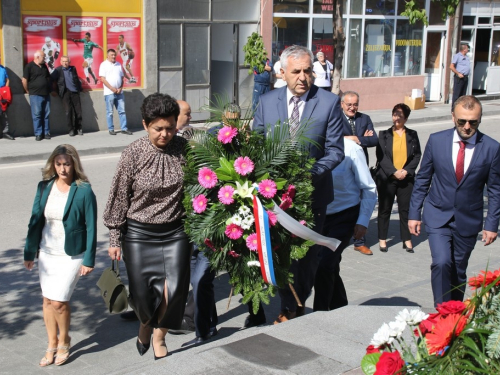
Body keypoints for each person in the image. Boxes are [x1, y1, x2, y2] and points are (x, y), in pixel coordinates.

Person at [252, 45, 344, 325]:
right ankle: (285, 302)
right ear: (282, 73)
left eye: (308, 71)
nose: (303, 77)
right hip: (272, 196)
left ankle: (294, 306)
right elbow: (256, 144)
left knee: (305, 257)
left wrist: (310, 174)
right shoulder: (267, 102)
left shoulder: (328, 103)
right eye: (296, 71)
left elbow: (335, 151)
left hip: (311, 196)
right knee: (276, 251)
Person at [103, 93, 191, 360]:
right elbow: (119, 196)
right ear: (145, 125)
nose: (165, 134)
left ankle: (159, 335)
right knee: (143, 297)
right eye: (158, 128)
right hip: (139, 234)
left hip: (176, 232)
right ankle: (144, 325)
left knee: (174, 292)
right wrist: (115, 238)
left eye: (170, 127)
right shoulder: (133, 153)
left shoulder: (184, 148)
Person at [409, 95, 500, 306]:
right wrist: (414, 213)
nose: (467, 126)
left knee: (458, 271)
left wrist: (491, 225)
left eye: (473, 122)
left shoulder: (491, 148)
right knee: (441, 263)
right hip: (437, 214)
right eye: (462, 121)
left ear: (479, 120)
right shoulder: (437, 140)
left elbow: (495, 189)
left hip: (467, 219)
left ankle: (455, 314)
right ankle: (442, 312)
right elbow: (423, 178)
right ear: (453, 117)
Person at [24, 144, 97, 367]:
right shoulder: (44, 187)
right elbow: (35, 220)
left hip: (72, 254)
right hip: (47, 252)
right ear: (53, 164)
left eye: (67, 164)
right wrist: (30, 251)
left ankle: (64, 340)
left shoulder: (84, 190)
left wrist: (89, 259)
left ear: (74, 164)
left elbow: (92, 226)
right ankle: (51, 343)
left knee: (59, 302)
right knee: (47, 300)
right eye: (58, 164)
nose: (63, 169)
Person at [314, 138, 377, 311]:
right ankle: (340, 306)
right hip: (317, 216)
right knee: (329, 265)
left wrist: (363, 221)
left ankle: (319, 314)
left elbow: (368, 187)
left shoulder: (351, 149)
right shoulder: (312, 145)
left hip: (344, 216)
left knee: (324, 264)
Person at [375, 103, 421, 253]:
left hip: (406, 179)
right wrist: (394, 172)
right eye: (395, 114)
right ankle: (382, 239)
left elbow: (417, 155)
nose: (396, 118)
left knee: (405, 210)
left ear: (406, 118)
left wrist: (406, 171)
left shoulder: (412, 134)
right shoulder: (384, 134)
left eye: (400, 115)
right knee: (384, 209)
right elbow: (381, 157)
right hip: (388, 178)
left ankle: (406, 239)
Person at [341, 91, 378, 255]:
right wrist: (360, 137)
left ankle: (359, 240)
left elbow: (374, 139)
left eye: (355, 104)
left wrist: (355, 138)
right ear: (342, 104)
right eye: (349, 104)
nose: (352, 107)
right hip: (343, 166)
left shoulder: (364, 118)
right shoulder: (336, 118)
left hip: (362, 164)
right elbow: (335, 137)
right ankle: (343, 234)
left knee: (364, 197)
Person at [99, 49, 132, 135]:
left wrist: (120, 88)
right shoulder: (103, 65)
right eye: (112, 55)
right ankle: (111, 129)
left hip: (119, 93)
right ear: (107, 56)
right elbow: (102, 79)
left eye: (114, 55)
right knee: (110, 112)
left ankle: (124, 128)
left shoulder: (118, 65)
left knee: (122, 111)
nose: (113, 56)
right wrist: (111, 88)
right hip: (109, 93)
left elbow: (122, 78)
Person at [22, 50, 51, 141]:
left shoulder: (44, 66)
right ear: (38, 57)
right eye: (43, 56)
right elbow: (24, 80)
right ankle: (38, 133)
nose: (45, 58)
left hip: (46, 94)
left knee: (46, 114)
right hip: (35, 95)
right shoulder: (29, 66)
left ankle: (46, 132)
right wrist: (27, 90)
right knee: (37, 115)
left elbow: (48, 78)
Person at [51, 56, 83, 136]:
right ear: (61, 62)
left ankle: (78, 128)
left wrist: (80, 88)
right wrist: (53, 91)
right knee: (68, 112)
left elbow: (76, 79)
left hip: (75, 92)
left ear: (69, 62)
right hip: (65, 92)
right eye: (64, 61)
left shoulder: (73, 69)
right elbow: (50, 80)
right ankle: (71, 130)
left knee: (78, 112)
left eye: (67, 61)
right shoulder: (58, 70)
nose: (65, 63)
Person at [450, 44, 470, 109]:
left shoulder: (467, 57)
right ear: (464, 49)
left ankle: (461, 109)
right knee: (457, 95)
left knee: (463, 95)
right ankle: (454, 109)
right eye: (467, 48)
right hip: (459, 77)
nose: (468, 50)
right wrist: (458, 73)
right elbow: (451, 67)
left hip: (465, 77)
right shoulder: (457, 56)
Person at [0, 54, 14, 140]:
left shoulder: (3, 68)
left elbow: (7, 79)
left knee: (4, 114)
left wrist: (5, 90)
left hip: (2, 94)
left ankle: (5, 132)